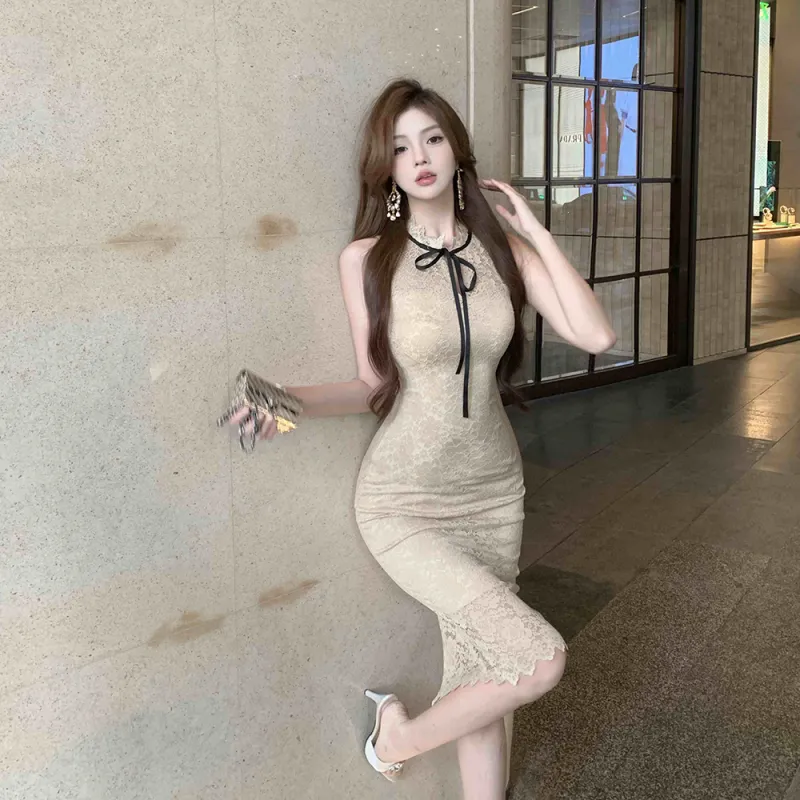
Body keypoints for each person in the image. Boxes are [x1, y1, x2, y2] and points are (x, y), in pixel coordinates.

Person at [228, 79, 617, 800]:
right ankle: (396, 740)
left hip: (494, 495)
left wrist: (535, 235)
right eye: (402, 147)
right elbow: (373, 386)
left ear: (456, 151)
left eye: (432, 139)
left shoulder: (501, 252)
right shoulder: (368, 258)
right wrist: (285, 402)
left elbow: (596, 334)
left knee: (485, 667)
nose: (420, 157)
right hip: (405, 502)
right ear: (388, 168)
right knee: (538, 661)